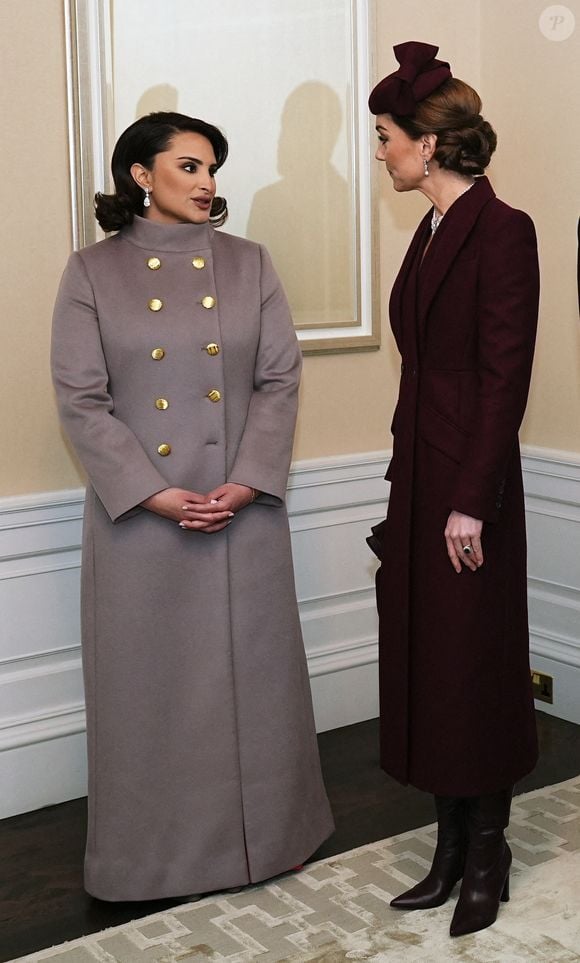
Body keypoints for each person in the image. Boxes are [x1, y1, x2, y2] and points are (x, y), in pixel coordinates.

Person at [51, 111, 334, 902]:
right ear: (141, 175)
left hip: (243, 510)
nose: (208, 181)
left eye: (212, 166)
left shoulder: (249, 263)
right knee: (154, 696)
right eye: (189, 166)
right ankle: (152, 861)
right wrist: (155, 492)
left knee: (259, 686)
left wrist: (245, 480)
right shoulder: (92, 272)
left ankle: (274, 838)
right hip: (143, 521)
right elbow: (82, 399)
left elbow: (279, 379)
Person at [367, 44, 539, 938]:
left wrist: (470, 497)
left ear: (428, 146)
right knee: (429, 660)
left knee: (472, 663)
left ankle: (488, 849)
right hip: (422, 477)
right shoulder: (430, 232)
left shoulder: (503, 228)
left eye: (386, 137)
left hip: (471, 485)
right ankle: (446, 844)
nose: (380, 152)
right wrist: (411, 487)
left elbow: (504, 375)